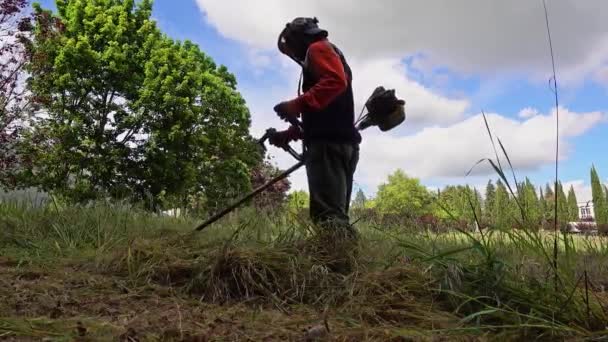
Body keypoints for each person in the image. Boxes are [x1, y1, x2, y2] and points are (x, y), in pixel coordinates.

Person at [270, 17, 361, 240]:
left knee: (328, 218)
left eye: (291, 48)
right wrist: (291, 134)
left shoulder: (317, 49)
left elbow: (335, 81)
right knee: (336, 214)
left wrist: (295, 104)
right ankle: (344, 266)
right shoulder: (331, 53)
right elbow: (327, 113)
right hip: (339, 142)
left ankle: (335, 267)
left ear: (299, 39)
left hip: (328, 146)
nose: (294, 55)